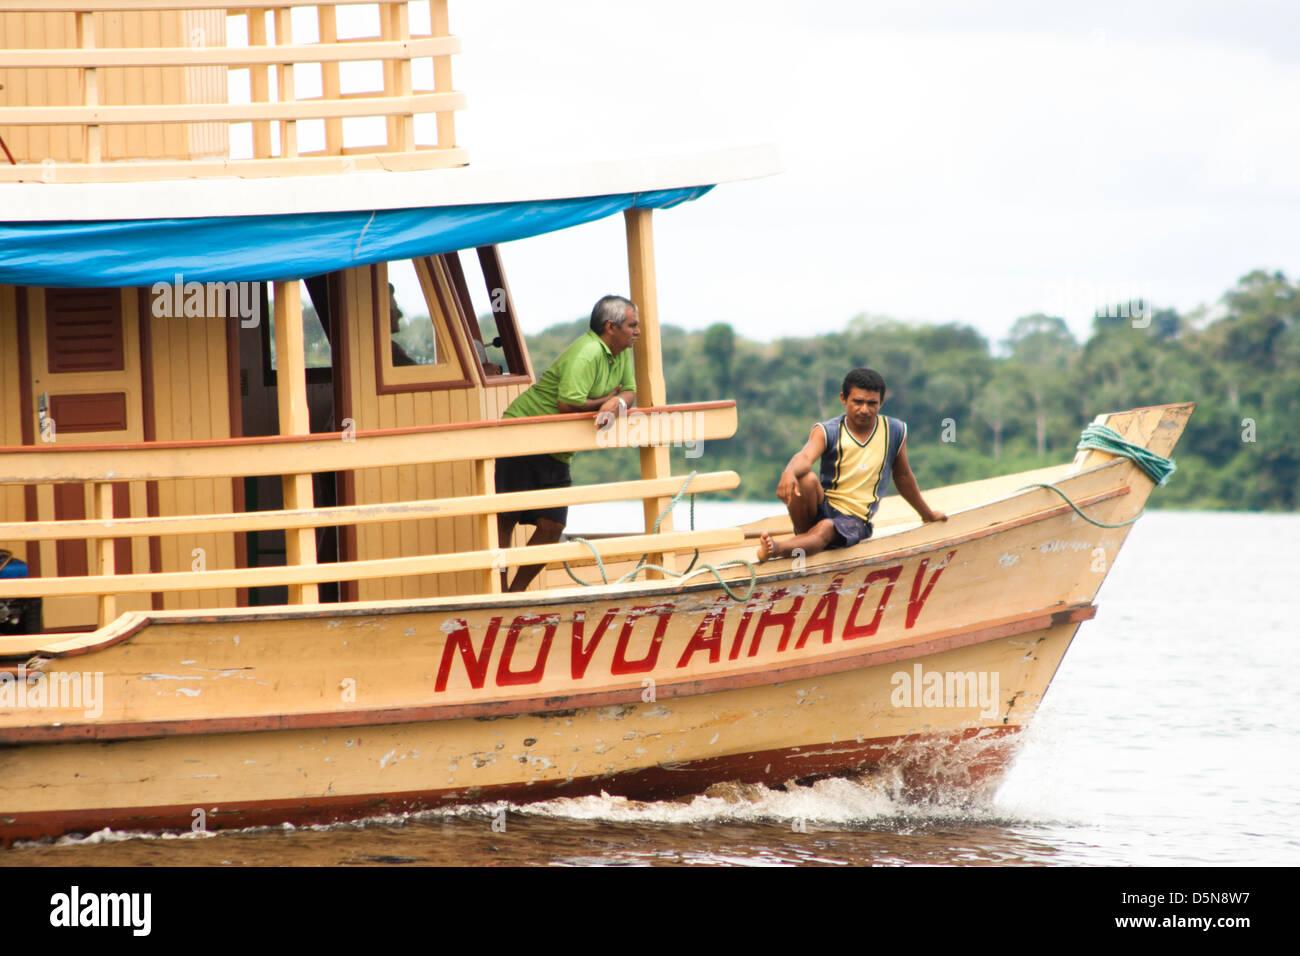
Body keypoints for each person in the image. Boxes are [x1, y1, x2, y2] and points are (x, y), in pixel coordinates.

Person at [494, 295, 639, 591]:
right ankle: (498, 591)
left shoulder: (621, 352)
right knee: (505, 520)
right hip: (524, 434)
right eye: (632, 326)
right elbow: (567, 405)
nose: (637, 332)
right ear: (611, 327)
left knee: (552, 527)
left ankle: (515, 591)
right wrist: (606, 402)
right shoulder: (587, 353)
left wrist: (618, 403)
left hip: (558, 450)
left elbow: (631, 391)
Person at [758, 367, 946, 562]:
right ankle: (804, 540)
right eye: (857, 402)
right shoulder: (827, 431)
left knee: (825, 528)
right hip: (825, 506)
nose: (864, 409)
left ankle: (777, 549)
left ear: (881, 402)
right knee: (805, 479)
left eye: (872, 403)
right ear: (843, 399)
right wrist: (788, 472)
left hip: (854, 520)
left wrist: (928, 514)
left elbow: (903, 477)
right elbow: (805, 458)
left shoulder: (894, 431)